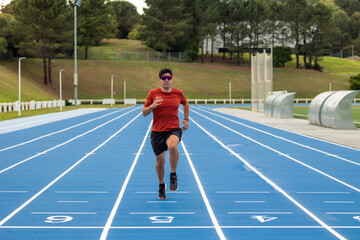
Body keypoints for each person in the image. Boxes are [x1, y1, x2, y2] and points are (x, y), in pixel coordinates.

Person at [142, 68, 189, 200]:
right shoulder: (153, 93)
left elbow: (185, 104)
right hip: (157, 131)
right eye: (164, 78)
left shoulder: (178, 93)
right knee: (160, 162)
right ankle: (162, 185)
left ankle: (173, 175)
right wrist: (152, 106)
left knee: (173, 146)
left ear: (172, 79)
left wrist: (186, 119)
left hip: (173, 128)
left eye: (169, 78)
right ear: (160, 80)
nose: (167, 80)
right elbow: (144, 113)